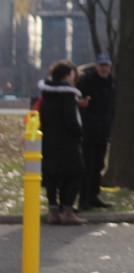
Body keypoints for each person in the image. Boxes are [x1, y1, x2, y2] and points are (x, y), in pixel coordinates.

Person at [38, 60, 87, 225]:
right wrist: (80, 133)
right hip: (67, 142)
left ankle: (53, 211)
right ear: (67, 76)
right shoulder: (67, 94)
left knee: (51, 175)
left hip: (49, 140)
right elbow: (70, 120)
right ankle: (67, 211)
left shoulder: (46, 93)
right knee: (76, 173)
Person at [75, 54, 116, 210]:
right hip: (89, 129)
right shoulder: (86, 82)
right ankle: (84, 198)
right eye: (101, 65)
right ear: (96, 66)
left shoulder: (111, 83)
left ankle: (93, 195)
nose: (104, 68)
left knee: (98, 164)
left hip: (103, 129)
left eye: (106, 65)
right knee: (88, 165)